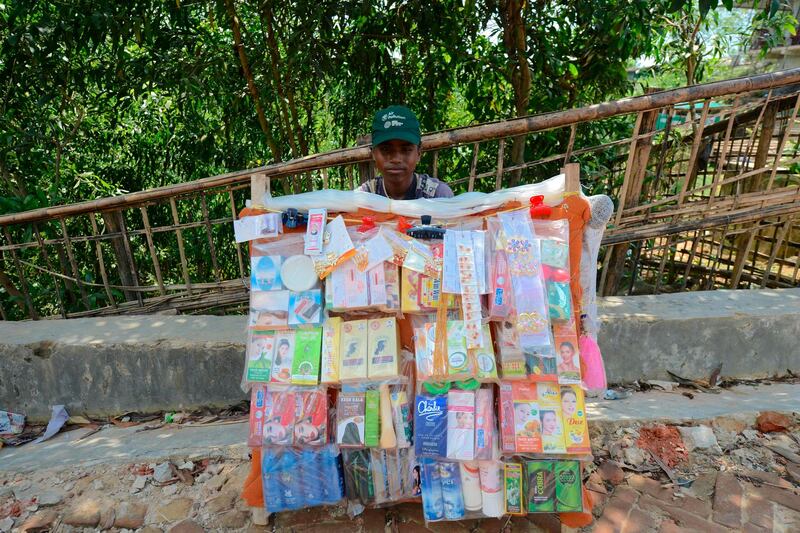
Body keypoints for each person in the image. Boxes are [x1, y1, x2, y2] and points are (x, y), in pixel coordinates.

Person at [359, 105, 454, 199]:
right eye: (385, 150)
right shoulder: (363, 198)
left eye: (406, 150)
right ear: (373, 154)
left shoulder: (438, 196)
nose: (396, 159)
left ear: (419, 153)